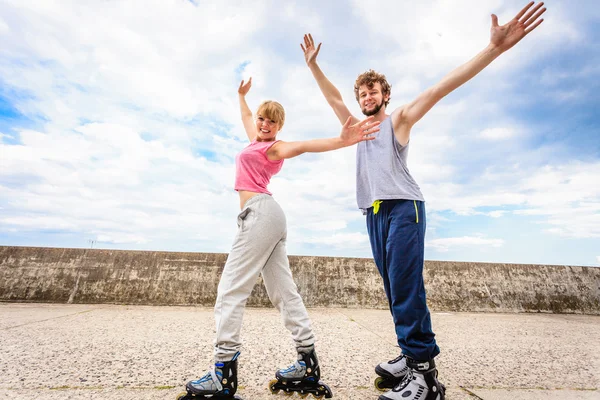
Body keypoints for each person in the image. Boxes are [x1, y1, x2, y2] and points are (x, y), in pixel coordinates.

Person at [300, 2, 546, 400]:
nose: (366, 96)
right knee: (395, 288)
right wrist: (313, 66)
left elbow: (439, 88)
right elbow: (332, 100)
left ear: (385, 95)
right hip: (374, 213)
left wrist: (495, 48)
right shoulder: (358, 129)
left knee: (406, 285)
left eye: (373, 91)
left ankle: (425, 375)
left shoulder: (398, 119)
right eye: (361, 93)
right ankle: (408, 354)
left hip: (404, 208)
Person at [177, 77, 380, 400]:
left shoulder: (274, 148)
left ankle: (222, 375)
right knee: (284, 292)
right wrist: (241, 96)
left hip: (260, 214)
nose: (264, 123)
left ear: (278, 126)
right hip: (270, 218)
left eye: (272, 121)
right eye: (262, 118)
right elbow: (246, 118)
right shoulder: (254, 140)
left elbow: (303, 146)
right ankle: (307, 362)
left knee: (230, 290)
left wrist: (343, 141)